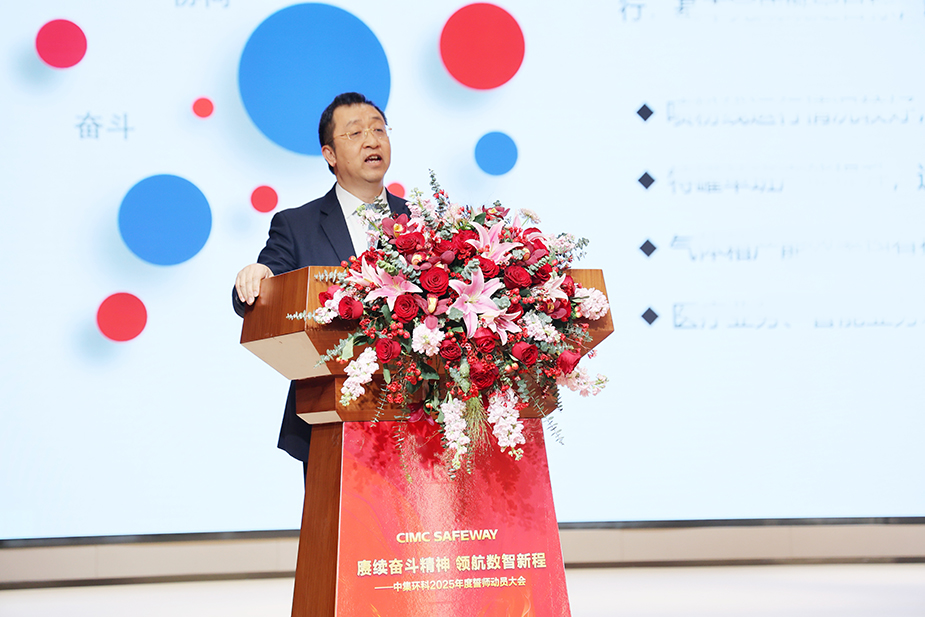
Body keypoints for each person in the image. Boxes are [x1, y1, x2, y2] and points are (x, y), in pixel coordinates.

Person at [233, 92, 410, 467]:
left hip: (420, 413)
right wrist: (258, 276)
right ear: (329, 154)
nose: (372, 140)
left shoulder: (422, 220)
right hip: (329, 417)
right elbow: (266, 283)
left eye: (379, 130)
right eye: (355, 133)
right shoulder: (296, 225)